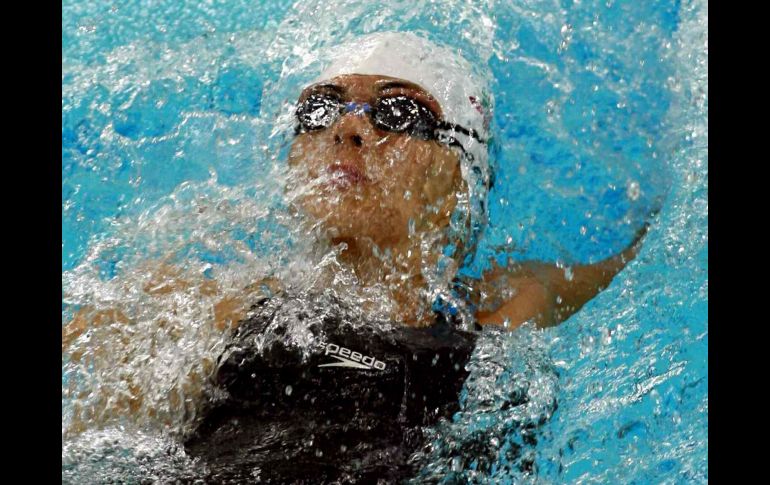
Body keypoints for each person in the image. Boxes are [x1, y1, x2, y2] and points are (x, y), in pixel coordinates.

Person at [63, 31, 651, 482]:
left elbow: (641, 262)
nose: (348, 129)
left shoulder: (495, 317)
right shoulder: (207, 307)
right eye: (321, 108)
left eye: (398, 114)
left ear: (458, 177)